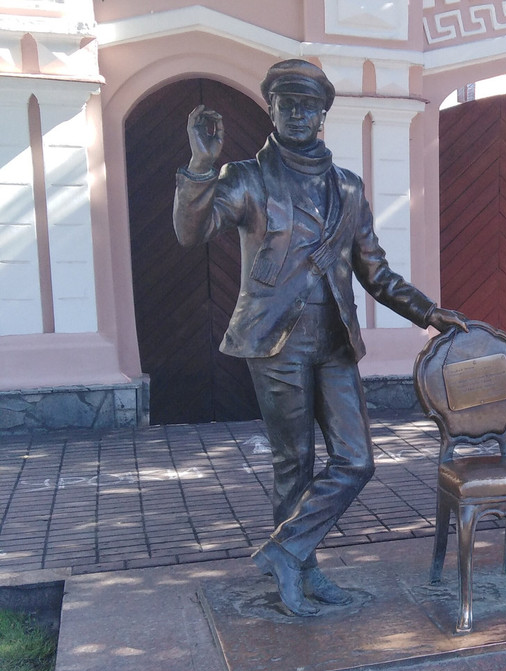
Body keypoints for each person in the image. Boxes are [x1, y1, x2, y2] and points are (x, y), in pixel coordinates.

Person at [173, 59, 467, 616]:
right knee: (295, 463)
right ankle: (299, 575)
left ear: (324, 112)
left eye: (309, 105)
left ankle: (287, 552)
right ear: (273, 109)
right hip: (274, 341)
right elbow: (192, 233)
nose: (299, 114)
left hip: (332, 340)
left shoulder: (348, 188)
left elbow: (375, 272)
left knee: (356, 460)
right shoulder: (247, 177)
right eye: (288, 104)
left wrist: (429, 312)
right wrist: (200, 167)